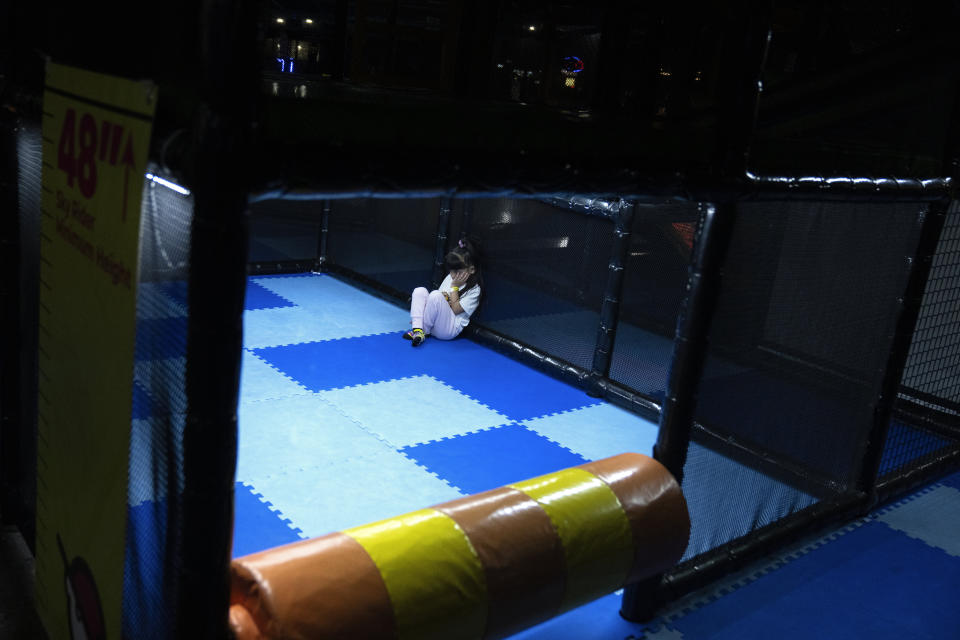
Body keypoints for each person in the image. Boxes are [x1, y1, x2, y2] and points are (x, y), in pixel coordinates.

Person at [404, 236, 483, 347]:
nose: (453, 275)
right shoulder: (450, 277)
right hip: (435, 323)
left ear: (471, 269)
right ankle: (418, 329)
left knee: (435, 295)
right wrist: (426, 312)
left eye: (457, 271)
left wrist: (454, 287)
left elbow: (455, 309)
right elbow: (440, 301)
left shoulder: (474, 290)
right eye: (451, 271)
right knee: (419, 291)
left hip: (448, 330)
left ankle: (422, 330)